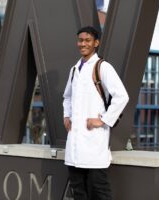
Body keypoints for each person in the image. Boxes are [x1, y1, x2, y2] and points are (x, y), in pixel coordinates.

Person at [63, 26, 129, 200]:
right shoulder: (74, 70)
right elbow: (67, 97)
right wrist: (66, 116)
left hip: (94, 143)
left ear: (96, 43)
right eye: (80, 40)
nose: (82, 44)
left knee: (99, 191)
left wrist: (103, 120)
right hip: (75, 144)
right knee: (78, 191)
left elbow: (122, 96)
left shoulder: (103, 67)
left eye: (87, 40)